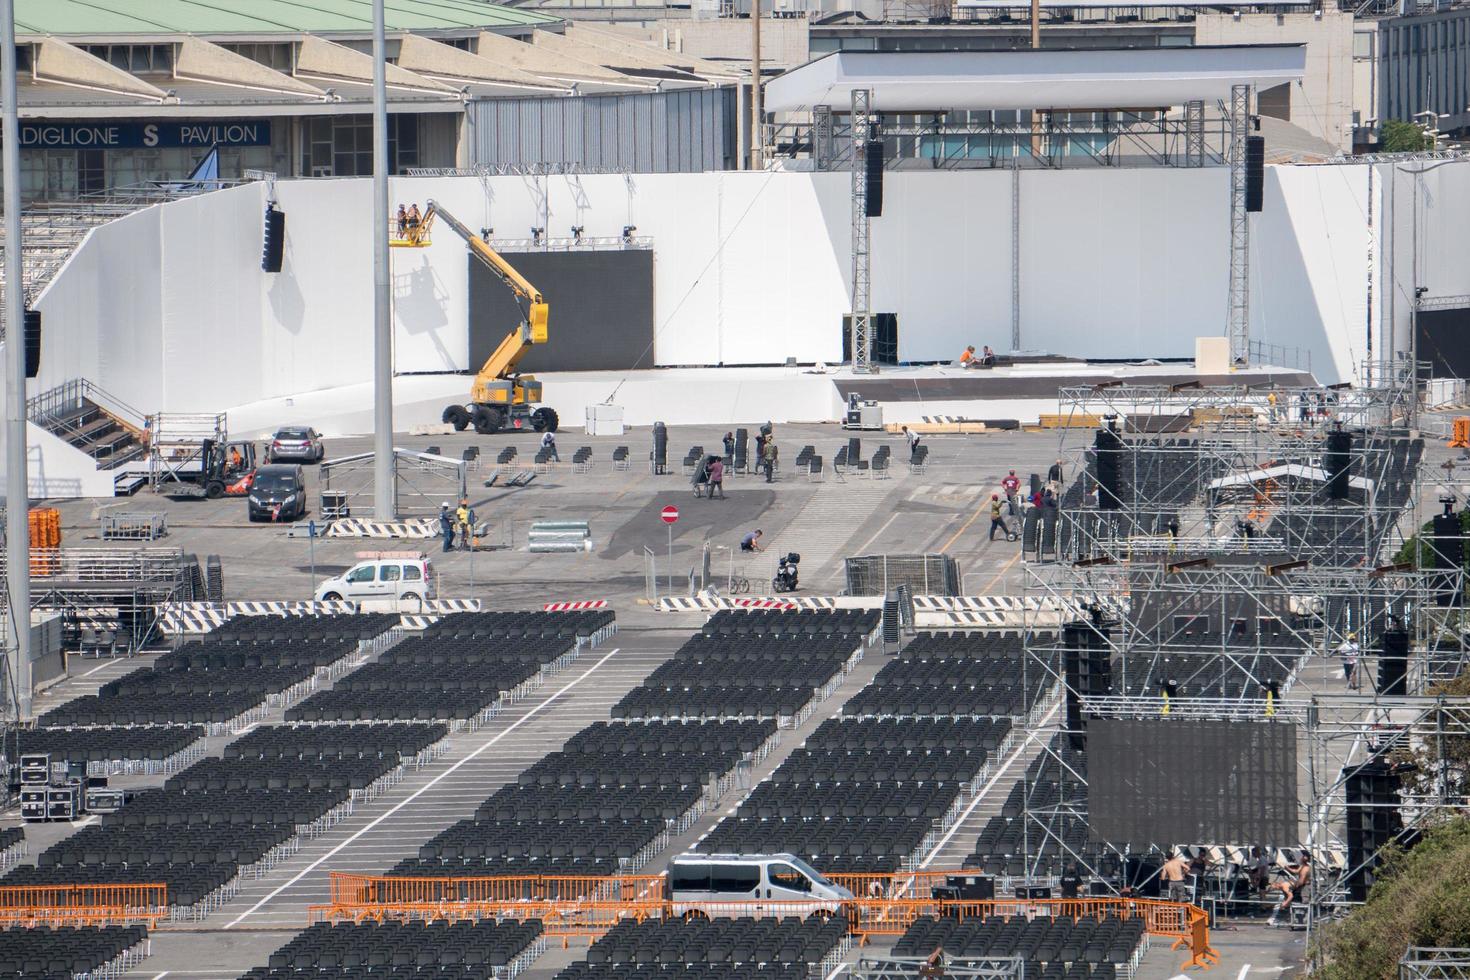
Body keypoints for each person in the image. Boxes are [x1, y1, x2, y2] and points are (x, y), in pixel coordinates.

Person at [1267, 852, 1311, 926]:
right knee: (1293, 902)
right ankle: (1295, 919)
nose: (1300, 858)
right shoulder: (1302, 866)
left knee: (1304, 903)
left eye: (1302, 856)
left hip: (1304, 887)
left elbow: (1301, 881)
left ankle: (1304, 922)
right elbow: (1296, 871)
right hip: (1298, 885)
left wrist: (1285, 903)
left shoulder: (1305, 869)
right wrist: (1287, 868)